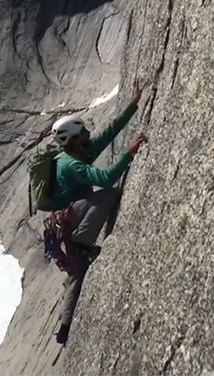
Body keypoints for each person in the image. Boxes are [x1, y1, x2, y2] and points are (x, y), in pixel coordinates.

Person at [50, 83, 148, 345]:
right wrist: (127, 154)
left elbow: (107, 134)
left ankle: (64, 326)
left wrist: (133, 105)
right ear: (74, 139)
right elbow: (105, 179)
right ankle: (83, 244)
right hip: (71, 224)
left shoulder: (76, 152)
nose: (89, 133)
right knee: (109, 194)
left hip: (66, 225)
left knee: (77, 275)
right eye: (83, 132)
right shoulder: (70, 165)